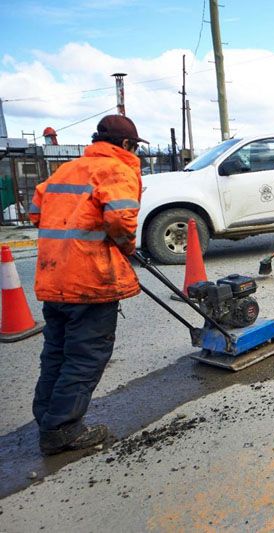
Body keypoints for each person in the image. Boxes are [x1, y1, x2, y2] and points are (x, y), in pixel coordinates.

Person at [28, 115, 146, 454]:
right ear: (125, 145)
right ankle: (62, 429)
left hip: (55, 277)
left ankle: (47, 415)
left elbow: (36, 213)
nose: (134, 151)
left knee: (57, 351)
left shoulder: (66, 170)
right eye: (134, 146)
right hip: (90, 280)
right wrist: (126, 246)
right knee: (86, 356)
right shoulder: (116, 169)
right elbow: (121, 219)